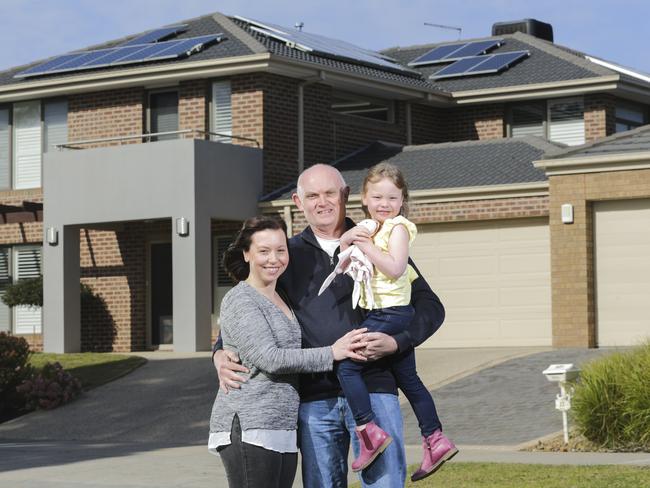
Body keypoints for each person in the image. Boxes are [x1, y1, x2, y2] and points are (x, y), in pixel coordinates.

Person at [214, 164, 446, 488]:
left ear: (346, 195)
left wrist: (399, 341)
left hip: (375, 390)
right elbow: (250, 307)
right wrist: (220, 352)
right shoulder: (286, 255)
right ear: (298, 201)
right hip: (314, 399)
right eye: (312, 196)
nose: (321, 202)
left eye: (329, 193)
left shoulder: (380, 240)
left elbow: (431, 307)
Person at [208, 215, 367, 488]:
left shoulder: (280, 295)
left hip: (280, 426)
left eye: (281, 250)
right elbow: (269, 358)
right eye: (264, 251)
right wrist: (332, 352)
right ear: (246, 254)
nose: (274, 259)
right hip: (250, 424)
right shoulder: (241, 298)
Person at [334, 162, 457, 481]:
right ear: (363, 198)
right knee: (410, 379)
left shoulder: (397, 228)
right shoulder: (372, 227)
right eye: (377, 197)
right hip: (391, 311)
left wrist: (364, 245)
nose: (384, 204)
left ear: (403, 200)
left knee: (346, 366)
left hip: (390, 312)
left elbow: (395, 268)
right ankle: (435, 439)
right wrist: (350, 237)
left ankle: (368, 432)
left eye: (392, 198)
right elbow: (345, 247)